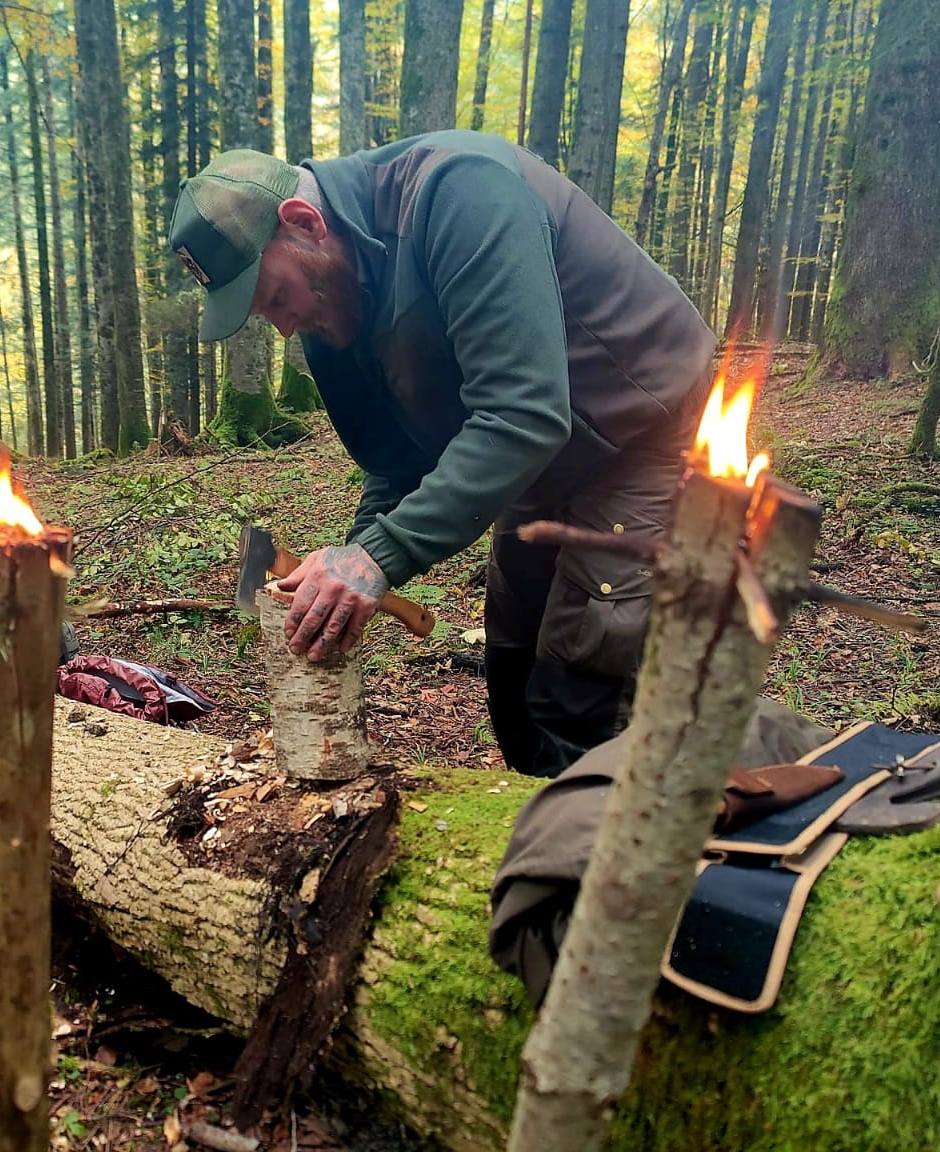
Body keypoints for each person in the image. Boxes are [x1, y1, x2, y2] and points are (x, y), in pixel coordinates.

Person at [168, 130, 714, 777]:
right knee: (514, 676)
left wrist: (380, 556)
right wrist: (353, 563)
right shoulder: (326, 301)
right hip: (540, 460)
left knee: (582, 680)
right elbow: (395, 460)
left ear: (306, 223)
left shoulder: (461, 194)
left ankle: (630, 826)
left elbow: (524, 412)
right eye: (267, 314)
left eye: (277, 297)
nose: (284, 325)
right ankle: (541, 816)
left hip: (646, 432)